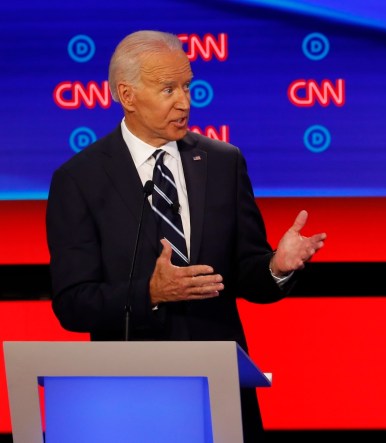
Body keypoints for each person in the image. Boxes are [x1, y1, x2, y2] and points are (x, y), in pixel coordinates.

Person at [46, 30, 327, 441]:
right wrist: (151, 293)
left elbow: (246, 274)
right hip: (129, 394)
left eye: (187, 86)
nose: (185, 101)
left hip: (219, 391)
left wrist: (275, 266)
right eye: (168, 89)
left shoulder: (222, 163)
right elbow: (72, 304)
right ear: (127, 95)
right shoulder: (80, 179)